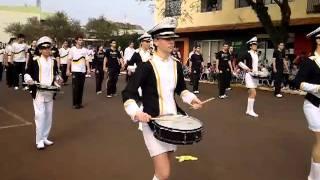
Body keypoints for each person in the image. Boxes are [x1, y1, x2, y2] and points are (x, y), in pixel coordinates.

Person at [122, 17, 203, 180]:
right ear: (156, 41)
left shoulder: (176, 64)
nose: (171, 42)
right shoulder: (146, 66)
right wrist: (136, 113)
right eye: (167, 39)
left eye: (172, 38)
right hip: (152, 122)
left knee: (161, 172)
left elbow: (181, 89)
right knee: (164, 173)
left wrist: (191, 99)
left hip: (173, 122)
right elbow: (128, 92)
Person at [24, 36, 62, 150]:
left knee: (48, 116)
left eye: (48, 47)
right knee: (40, 116)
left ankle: (45, 137)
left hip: (49, 92)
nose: (47, 50)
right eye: (44, 48)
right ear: (40, 49)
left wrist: (59, 78)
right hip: (39, 91)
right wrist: (29, 80)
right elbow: (27, 73)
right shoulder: (35, 60)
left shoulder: (53, 61)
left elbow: (55, 74)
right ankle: (39, 140)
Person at [294, 26, 320, 180]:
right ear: (317, 40)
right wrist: (316, 88)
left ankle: (312, 175)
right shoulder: (310, 61)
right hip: (313, 105)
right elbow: (297, 82)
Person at [237, 36, 260, 117]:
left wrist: (259, 71)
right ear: (250, 46)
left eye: (256, 45)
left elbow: (255, 65)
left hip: (255, 75)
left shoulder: (256, 54)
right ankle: (251, 111)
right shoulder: (247, 53)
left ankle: (248, 110)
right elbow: (239, 61)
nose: (256, 46)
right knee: (253, 92)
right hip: (249, 75)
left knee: (251, 93)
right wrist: (247, 69)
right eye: (254, 45)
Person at [67, 35, 91, 109]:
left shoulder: (84, 50)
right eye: (80, 40)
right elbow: (69, 59)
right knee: (75, 88)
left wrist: (88, 69)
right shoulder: (72, 49)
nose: (81, 41)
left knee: (81, 87)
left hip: (82, 71)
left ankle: (79, 103)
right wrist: (68, 69)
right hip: (75, 71)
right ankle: (75, 103)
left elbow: (86, 60)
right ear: (76, 41)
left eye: (82, 40)